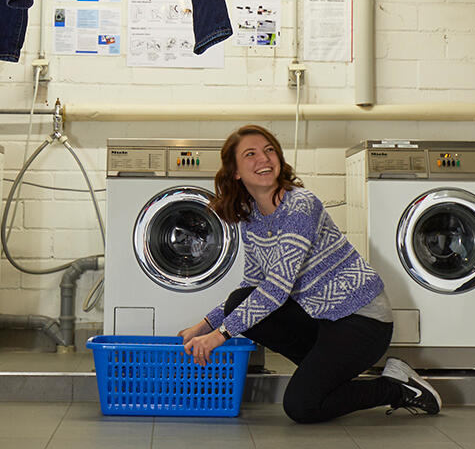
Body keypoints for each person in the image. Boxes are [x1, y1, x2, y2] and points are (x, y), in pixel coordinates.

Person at [176, 124, 441, 423]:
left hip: (363, 321)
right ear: (235, 171)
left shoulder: (301, 205)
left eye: (269, 150)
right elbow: (252, 284)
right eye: (250, 154)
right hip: (322, 320)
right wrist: (202, 325)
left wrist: (219, 335)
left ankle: (396, 388)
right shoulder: (250, 218)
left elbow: (276, 288)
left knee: (302, 406)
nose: (263, 159)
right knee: (241, 299)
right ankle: (323, 376)